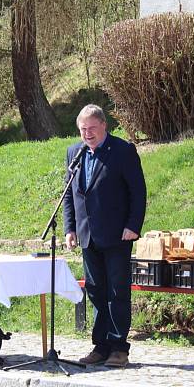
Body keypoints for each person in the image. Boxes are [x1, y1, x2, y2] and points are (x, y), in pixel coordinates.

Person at [62, 104, 146, 368]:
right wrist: (70, 228)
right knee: (96, 291)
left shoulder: (122, 151)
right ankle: (101, 345)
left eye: (92, 128)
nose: (87, 134)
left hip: (117, 234)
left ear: (104, 126)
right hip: (87, 236)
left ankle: (119, 347)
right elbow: (69, 194)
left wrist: (133, 225)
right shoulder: (74, 153)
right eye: (83, 129)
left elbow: (138, 192)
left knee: (116, 291)